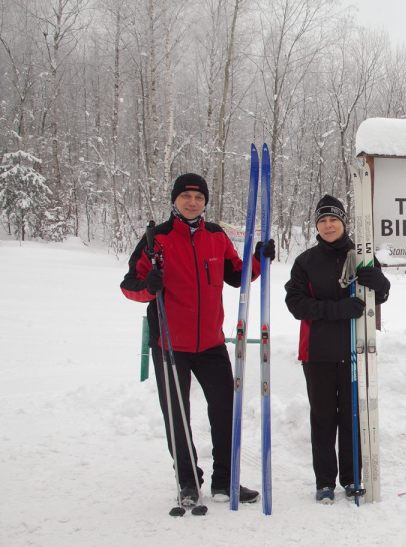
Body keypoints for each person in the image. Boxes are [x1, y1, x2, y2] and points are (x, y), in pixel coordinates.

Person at [121, 173, 274, 507]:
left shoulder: (216, 237)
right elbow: (129, 284)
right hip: (169, 344)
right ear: (175, 200)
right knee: (176, 414)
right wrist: (150, 284)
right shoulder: (156, 239)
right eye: (186, 196)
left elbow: (237, 274)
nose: (192, 202)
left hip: (210, 344)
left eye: (199, 197)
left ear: (205, 202)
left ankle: (224, 481)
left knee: (225, 410)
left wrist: (260, 257)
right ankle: (188, 481)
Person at [284, 195, 390, 504]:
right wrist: (339, 309)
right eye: (323, 220)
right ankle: (325, 481)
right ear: (317, 225)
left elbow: (379, 296)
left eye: (334, 220)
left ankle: (352, 477)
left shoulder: (360, 254)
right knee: (323, 417)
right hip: (317, 352)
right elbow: (296, 304)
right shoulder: (306, 261)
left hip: (354, 351)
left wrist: (378, 281)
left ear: (343, 222)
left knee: (351, 417)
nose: (329, 225)